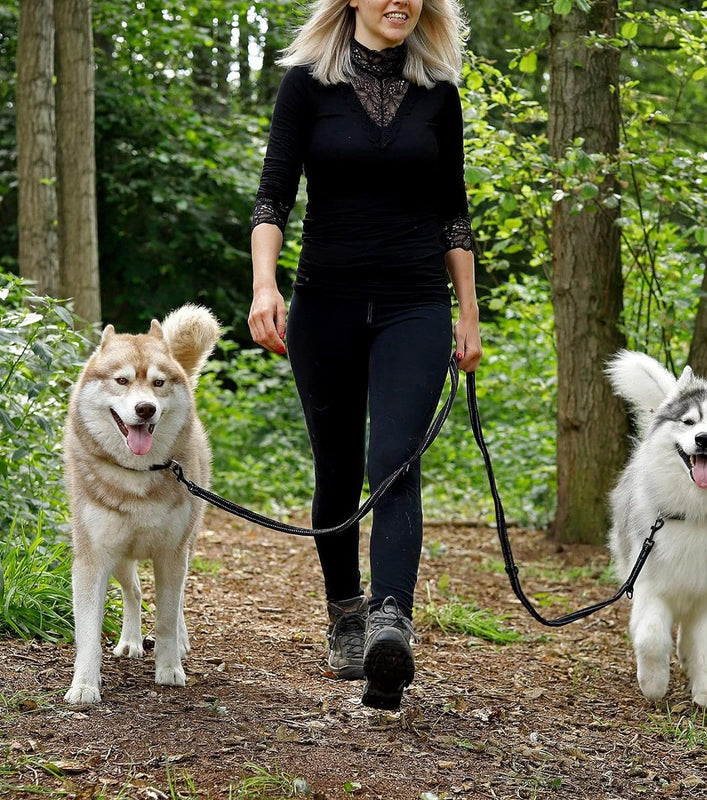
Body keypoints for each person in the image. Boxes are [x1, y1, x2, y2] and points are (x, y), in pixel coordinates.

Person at [248, 0, 481, 711]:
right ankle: (346, 613)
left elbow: (453, 211)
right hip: (326, 304)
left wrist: (469, 314)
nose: (399, 2)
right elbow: (272, 199)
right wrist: (265, 286)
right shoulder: (306, 86)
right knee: (340, 470)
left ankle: (390, 625)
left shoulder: (439, 94)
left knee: (395, 465)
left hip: (414, 303)